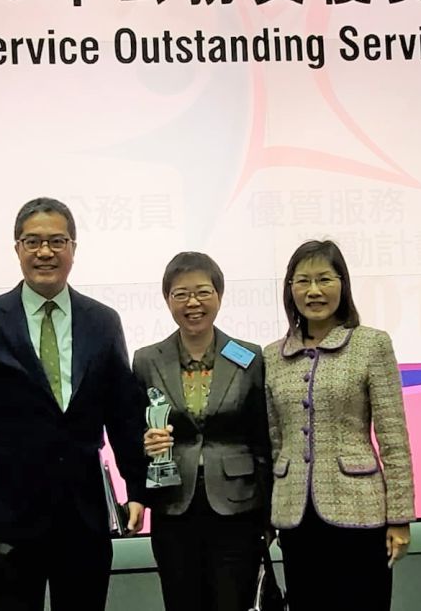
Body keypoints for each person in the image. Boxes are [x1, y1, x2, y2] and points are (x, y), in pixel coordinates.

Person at [0, 197, 148, 611]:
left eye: (57, 241)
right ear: (17, 248)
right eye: (33, 241)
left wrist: (137, 489)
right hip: (8, 511)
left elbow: (122, 414)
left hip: (84, 511)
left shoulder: (102, 320)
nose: (45, 252)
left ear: (73, 247)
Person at [264, 240, 415, 610]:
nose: (314, 291)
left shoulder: (371, 345)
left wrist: (399, 517)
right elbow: (273, 439)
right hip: (295, 517)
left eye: (324, 279)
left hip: (360, 512)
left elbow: (393, 436)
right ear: (290, 289)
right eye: (303, 281)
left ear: (342, 284)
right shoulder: (271, 356)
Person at [136, 252, 270, 611]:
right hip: (173, 506)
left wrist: (269, 512)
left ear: (219, 296)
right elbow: (133, 428)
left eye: (202, 292)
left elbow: (264, 437)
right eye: (180, 294)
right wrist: (144, 443)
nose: (192, 303)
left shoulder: (249, 357)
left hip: (237, 508)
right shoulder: (147, 359)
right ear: (167, 300)